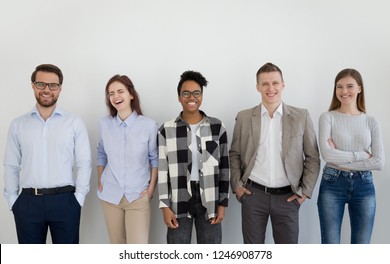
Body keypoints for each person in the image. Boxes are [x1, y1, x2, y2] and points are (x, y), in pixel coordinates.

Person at [229, 62, 320, 244]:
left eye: (275, 83)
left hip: (288, 198)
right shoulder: (244, 117)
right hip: (253, 196)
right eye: (265, 84)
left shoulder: (301, 116)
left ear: (283, 84)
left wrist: (304, 193)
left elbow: (313, 157)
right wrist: (238, 188)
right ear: (258, 87)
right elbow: (234, 154)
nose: (270, 88)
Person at [3, 64, 92, 244]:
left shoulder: (74, 123)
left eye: (53, 85)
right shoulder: (18, 124)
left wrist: (78, 200)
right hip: (28, 203)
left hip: (66, 202)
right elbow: (11, 165)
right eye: (41, 84)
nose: (46, 90)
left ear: (60, 88)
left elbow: (84, 163)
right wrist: (13, 200)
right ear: (33, 85)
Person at [158, 70, 229, 244]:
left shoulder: (217, 127)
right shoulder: (167, 129)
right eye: (186, 93)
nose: (192, 97)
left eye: (196, 93)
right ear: (179, 97)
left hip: (210, 199)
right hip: (178, 199)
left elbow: (225, 167)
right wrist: (164, 206)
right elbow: (162, 170)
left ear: (202, 96)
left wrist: (222, 203)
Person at [317, 68, 385, 244]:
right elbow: (327, 154)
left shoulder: (371, 121)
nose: (344, 91)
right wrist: (362, 155)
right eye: (339, 87)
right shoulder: (327, 117)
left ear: (360, 89)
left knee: (361, 247)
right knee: (330, 245)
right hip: (332, 183)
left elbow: (378, 162)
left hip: (364, 185)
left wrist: (342, 160)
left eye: (349, 86)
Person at [97, 75, 158, 244]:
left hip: (137, 196)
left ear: (131, 94)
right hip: (110, 195)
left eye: (120, 91)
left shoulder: (148, 125)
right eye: (111, 93)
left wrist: (150, 190)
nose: (116, 96)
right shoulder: (104, 124)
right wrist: (100, 179)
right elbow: (101, 153)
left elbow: (155, 159)